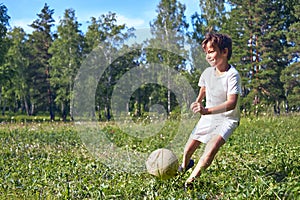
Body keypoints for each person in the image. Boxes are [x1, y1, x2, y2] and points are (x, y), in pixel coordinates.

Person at [178, 32, 241, 187]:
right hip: (208, 117)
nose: (208, 56)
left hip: (227, 119)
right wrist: (197, 101)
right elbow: (204, 88)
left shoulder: (232, 75)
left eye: (211, 51)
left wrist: (206, 110)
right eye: (206, 53)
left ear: (224, 52)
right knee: (187, 150)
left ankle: (190, 182)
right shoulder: (207, 72)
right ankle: (184, 167)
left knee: (210, 149)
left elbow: (231, 103)